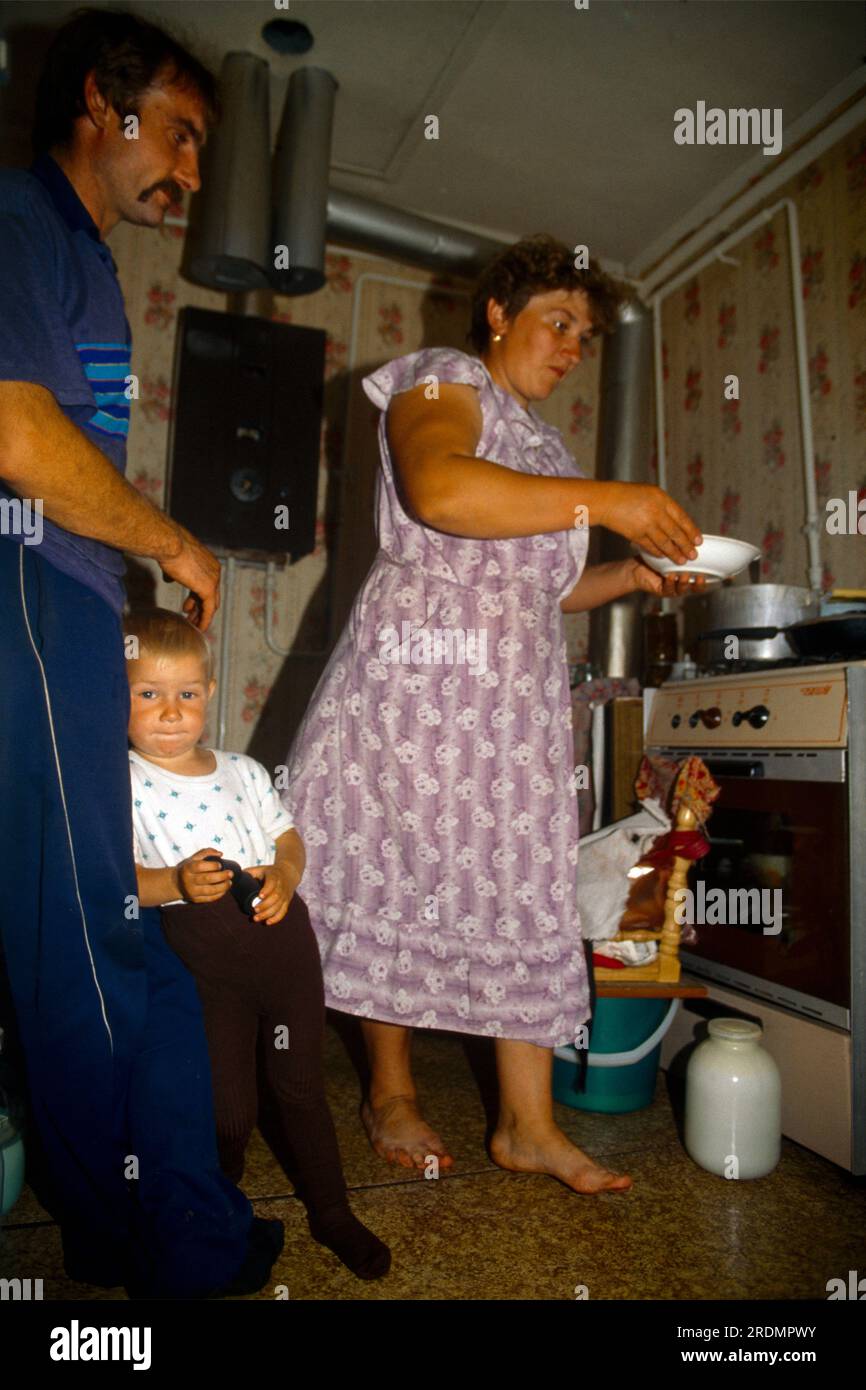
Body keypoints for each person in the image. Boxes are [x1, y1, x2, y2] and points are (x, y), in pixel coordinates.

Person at [282, 234, 703, 1194]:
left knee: (526, 890)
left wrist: (630, 574)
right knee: (391, 870)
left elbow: (532, 588)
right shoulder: (441, 380)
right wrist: (613, 500)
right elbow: (440, 492)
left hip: (508, 713)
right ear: (499, 314)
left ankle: (528, 1124)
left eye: (586, 335)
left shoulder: (545, 449)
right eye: (558, 321)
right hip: (413, 696)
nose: (571, 346)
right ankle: (390, 1090)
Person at [0, 9, 282, 1297]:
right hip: (27, 582)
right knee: (88, 942)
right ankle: (150, 1241)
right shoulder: (16, 215)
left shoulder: (90, 263)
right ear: (101, 108)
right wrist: (174, 543)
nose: (186, 167)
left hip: (66, 596)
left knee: (113, 933)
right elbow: (14, 433)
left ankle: (181, 1217)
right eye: (175, 130)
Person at [124, 607, 391, 1281]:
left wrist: (287, 873)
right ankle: (220, 1205)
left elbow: (288, 838)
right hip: (207, 968)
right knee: (228, 1108)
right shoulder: (120, 785)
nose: (171, 711)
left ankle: (333, 1213)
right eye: (148, 694)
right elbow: (118, 882)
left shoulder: (242, 771)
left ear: (210, 694)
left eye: (186, 693)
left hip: (284, 949)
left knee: (300, 1086)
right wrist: (176, 881)